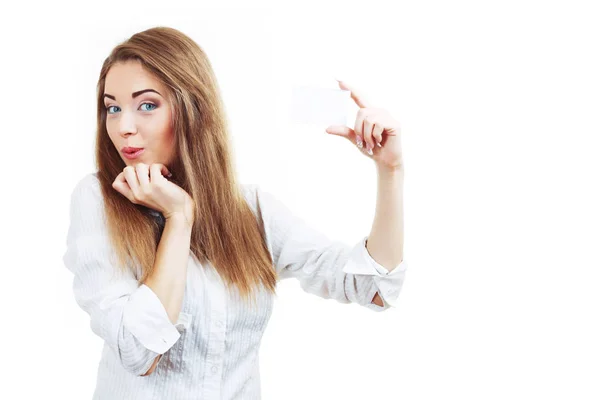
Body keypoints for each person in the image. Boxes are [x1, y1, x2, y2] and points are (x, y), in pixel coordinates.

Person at [63, 26, 407, 400]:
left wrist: (390, 171)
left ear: (193, 108)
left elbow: (374, 287)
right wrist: (179, 218)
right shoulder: (98, 199)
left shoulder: (253, 211)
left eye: (147, 105)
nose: (124, 127)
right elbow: (138, 350)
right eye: (113, 108)